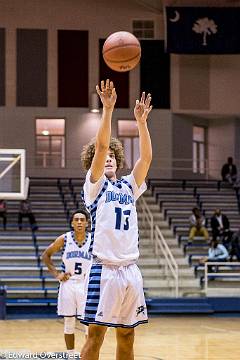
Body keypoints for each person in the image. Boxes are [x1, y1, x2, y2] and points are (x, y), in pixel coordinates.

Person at [80, 79, 152, 360]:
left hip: (130, 270)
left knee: (128, 334)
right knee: (96, 336)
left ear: (119, 160)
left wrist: (141, 123)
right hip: (104, 270)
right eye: (105, 156)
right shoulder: (94, 186)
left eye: (113, 156)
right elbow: (99, 147)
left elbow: (145, 159)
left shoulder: (128, 186)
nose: (108, 158)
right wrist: (108, 109)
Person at [42, 208, 92, 355]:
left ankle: (88, 354)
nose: (79, 222)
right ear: (72, 223)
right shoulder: (64, 239)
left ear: (87, 223)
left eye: (82, 220)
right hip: (68, 284)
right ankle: (71, 355)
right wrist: (57, 273)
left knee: (89, 324)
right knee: (69, 322)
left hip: (86, 284)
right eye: (76, 220)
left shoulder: (93, 239)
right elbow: (46, 255)